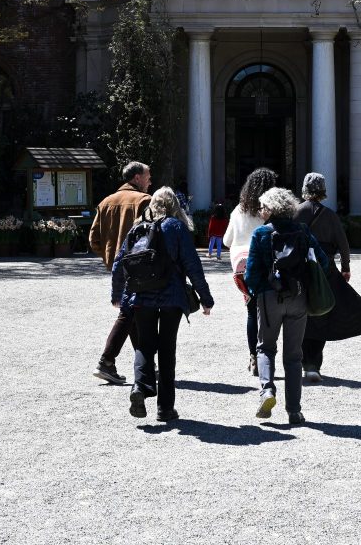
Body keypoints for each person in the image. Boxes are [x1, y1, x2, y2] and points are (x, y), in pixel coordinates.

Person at [111, 186, 213, 422]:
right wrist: (205, 299)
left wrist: (117, 295)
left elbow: (120, 262)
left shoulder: (138, 227)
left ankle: (139, 388)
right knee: (167, 350)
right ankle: (165, 408)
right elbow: (192, 266)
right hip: (172, 297)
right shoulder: (176, 227)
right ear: (174, 206)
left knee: (144, 346)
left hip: (142, 296)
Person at [245, 186, 328, 425]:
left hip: (269, 297)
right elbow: (321, 261)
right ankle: (294, 411)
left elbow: (251, 273)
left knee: (265, 348)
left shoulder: (261, 234)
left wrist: (259, 291)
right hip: (299, 297)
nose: (261, 211)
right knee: (294, 356)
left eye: (262, 207)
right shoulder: (302, 231)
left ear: (270, 209)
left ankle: (268, 391)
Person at [89, 161, 151, 385]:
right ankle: (106, 361)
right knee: (129, 313)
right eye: (147, 176)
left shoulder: (106, 202)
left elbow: (93, 239)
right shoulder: (145, 201)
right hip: (139, 265)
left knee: (133, 312)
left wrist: (109, 257)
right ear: (136, 178)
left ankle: (144, 365)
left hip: (117, 266)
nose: (150, 181)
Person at [294, 172, 351, 383]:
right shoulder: (330, 215)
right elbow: (343, 244)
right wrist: (345, 268)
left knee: (299, 314)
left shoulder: (295, 212)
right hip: (325, 268)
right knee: (322, 314)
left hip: (299, 269)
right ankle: (313, 364)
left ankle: (299, 359)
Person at [224, 167, 278, 376]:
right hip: (266, 265)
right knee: (268, 313)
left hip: (242, 268)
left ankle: (253, 357)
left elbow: (228, 241)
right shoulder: (270, 211)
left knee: (250, 312)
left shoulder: (239, 210)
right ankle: (266, 356)